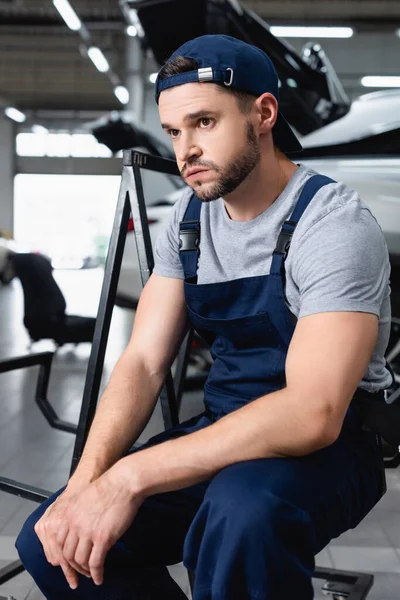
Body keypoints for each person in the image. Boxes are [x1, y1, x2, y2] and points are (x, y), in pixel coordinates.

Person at [16, 34, 393, 600]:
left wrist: (130, 475)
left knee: (241, 518)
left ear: (262, 114)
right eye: (174, 131)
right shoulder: (188, 221)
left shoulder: (333, 224)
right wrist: (86, 485)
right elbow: (143, 361)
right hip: (228, 424)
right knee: (53, 541)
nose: (184, 150)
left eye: (204, 123)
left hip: (335, 445)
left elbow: (314, 413)